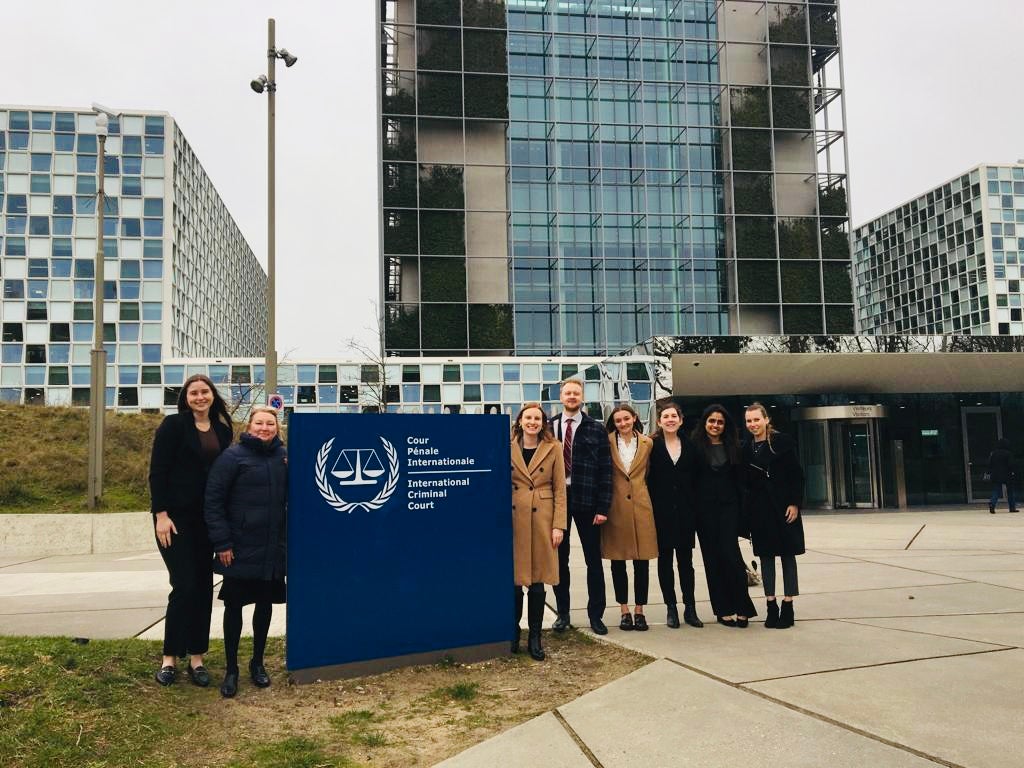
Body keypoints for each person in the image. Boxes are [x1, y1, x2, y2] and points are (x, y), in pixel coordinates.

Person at [148, 374, 234, 687]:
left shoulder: (223, 431)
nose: (200, 397)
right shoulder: (173, 426)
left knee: (202, 587)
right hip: (174, 520)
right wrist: (161, 514)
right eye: (194, 392)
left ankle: (197, 658)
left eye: (205, 392)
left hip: (207, 520)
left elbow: (226, 475)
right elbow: (158, 471)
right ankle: (170, 657)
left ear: (213, 396)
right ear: (186, 397)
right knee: (183, 584)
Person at [204, 406, 288, 697]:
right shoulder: (232, 457)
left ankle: (257, 663)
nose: (265, 428)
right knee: (234, 608)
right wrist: (222, 543)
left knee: (264, 608)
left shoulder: (284, 457)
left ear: (277, 428)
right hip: (239, 548)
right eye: (260, 423)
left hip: (271, 549)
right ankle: (231, 669)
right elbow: (213, 501)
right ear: (250, 426)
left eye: (270, 424)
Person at [551, 379, 613, 635]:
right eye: (568, 393)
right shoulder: (549, 426)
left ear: (582, 397)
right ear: (561, 396)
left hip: (588, 499)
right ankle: (562, 614)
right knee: (559, 560)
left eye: (576, 393)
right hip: (558, 500)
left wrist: (603, 506)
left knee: (593, 561)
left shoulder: (595, 428)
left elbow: (606, 470)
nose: (572, 396)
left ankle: (596, 615)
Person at [691, 404, 756, 628]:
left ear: (725, 425)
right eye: (711, 421)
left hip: (729, 508)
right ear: (704, 423)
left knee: (731, 556)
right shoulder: (694, 447)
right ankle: (723, 609)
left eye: (720, 422)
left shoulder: (736, 447)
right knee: (712, 560)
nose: (715, 425)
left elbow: (743, 482)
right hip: (704, 510)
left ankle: (742, 607)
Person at [510, 404, 567, 660]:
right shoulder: (507, 445)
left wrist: (559, 524)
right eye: (528, 417)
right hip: (513, 517)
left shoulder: (554, 447)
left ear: (543, 422)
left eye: (537, 418)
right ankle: (513, 631)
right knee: (513, 581)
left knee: (537, 580)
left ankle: (535, 635)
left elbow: (560, 489)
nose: (532, 422)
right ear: (520, 421)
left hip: (542, 518)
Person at [742, 402, 805, 629]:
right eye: (749, 421)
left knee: (788, 556)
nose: (753, 424)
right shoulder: (747, 449)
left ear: (766, 419)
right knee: (766, 558)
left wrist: (794, 503)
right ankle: (771, 605)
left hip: (783, 507)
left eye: (756, 419)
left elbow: (796, 475)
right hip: (759, 511)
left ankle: (788, 606)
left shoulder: (782, 442)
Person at [646, 401, 704, 629]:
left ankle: (690, 607)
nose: (670, 420)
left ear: (680, 420)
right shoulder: (651, 446)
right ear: (659, 422)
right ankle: (671, 607)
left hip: (686, 513)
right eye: (665, 417)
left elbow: (697, 480)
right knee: (665, 562)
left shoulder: (690, 446)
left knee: (686, 563)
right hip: (661, 513)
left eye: (674, 416)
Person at [602, 404, 658, 631]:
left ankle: (639, 610)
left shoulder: (648, 443)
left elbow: (651, 473)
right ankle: (624, 610)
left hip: (640, 506)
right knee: (618, 562)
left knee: (641, 562)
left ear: (634, 418)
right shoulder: (606, 442)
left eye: (626, 419)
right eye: (618, 421)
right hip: (615, 507)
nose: (623, 423)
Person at [986, 438, 1018, 514]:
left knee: (996, 490)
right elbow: (1011, 465)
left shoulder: (994, 453)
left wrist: (988, 472)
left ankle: (992, 503)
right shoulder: (1008, 453)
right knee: (1010, 491)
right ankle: (1012, 507)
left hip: (996, 474)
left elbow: (990, 464)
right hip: (1007, 475)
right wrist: (1013, 472)